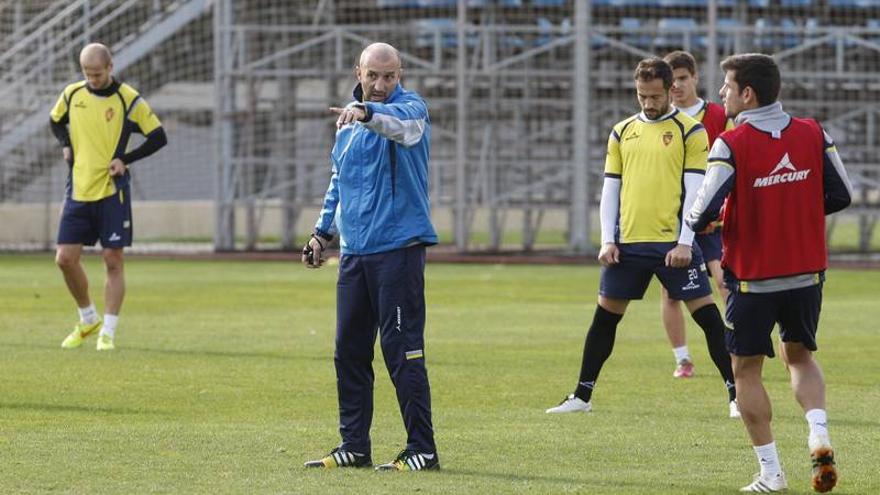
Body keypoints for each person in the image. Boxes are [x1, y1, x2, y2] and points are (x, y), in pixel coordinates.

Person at [686, 53, 851, 493]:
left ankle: (772, 474)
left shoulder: (731, 142)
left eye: (726, 86)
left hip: (753, 278)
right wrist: (792, 210)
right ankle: (818, 433)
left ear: (747, 94)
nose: (721, 94)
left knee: (746, 372)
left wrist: (718, 218)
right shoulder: (814, 132)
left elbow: (700, 212)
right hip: (806, 273)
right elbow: (842, 194)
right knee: (799, 357)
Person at [546, 57, 738, 418]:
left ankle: (736, 396)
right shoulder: (622, 132)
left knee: (709, 319)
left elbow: (695, 190)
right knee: (604, 319)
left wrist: (685, 241)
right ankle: (582, 396)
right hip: (629, 244)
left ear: (670, 90)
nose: (648, 104)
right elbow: (611, 190)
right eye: (641, 96)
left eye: (654, 96)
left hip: (673, 246)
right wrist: (607, 239)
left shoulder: (690, 131)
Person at [302, 42, 440, 472]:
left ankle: (423, 450)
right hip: (355, 254)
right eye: (374, 76)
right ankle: (354, 447)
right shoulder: (346, 122)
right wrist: (322, 235)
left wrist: (367, 114)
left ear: (400, 76)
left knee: (402, 351)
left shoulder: (410, 109)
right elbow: (338, 184)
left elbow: (402, 128)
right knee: (349, 352)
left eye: (390, 76)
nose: (381, 85)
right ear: (358, 73)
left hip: (398, 251)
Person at [50, 43, 167, 351]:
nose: (92, 79)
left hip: (111, 192)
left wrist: (126, 159)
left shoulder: (128, 99)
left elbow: (158, 136)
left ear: (110, 68)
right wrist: (65, 143)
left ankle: (108, 332)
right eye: (87, 74)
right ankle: (88, 318)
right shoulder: (72, 94)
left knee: (112, 259)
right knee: (64, 258)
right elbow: (55, 120)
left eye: (97, 74)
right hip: (78, 189)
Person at [660, 51, 734, 379]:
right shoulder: (659, 120)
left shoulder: (718, 115)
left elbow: (735, 155)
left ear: (695, 79)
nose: (676, 85)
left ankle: (738, 347)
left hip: (713, 219)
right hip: (675, 219)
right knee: (671, 291)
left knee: (724, 281)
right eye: (671, 80)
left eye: (682, 78)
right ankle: (683, 359)